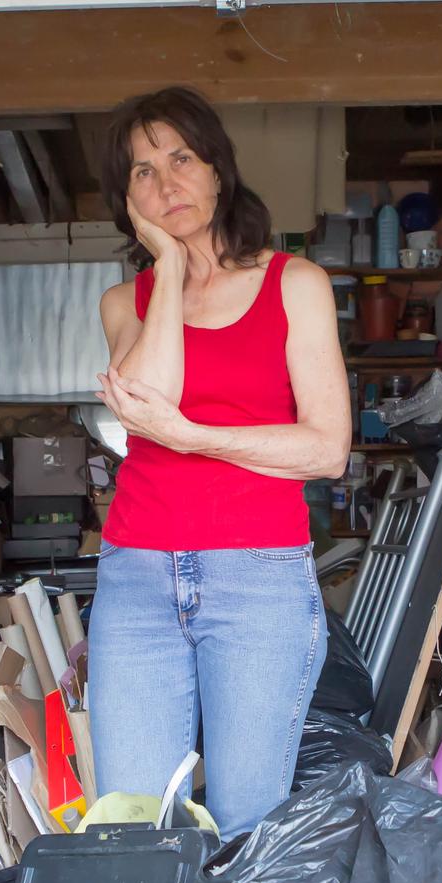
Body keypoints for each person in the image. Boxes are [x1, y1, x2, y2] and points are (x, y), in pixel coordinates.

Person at [89, 86, 350, 834]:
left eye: (181, 158)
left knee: (244, 819)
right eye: (142, 171)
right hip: (137, 578)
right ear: (127, 198)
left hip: (257, 581)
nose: (166, 183)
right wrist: (169, 267)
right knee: (131, 822)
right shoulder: (124, 300)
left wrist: (194, 437)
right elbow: (147, 394)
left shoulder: (293, 284)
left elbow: (326, 449)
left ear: (216, 169)